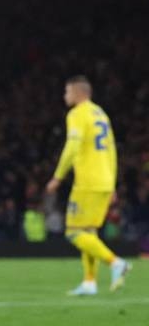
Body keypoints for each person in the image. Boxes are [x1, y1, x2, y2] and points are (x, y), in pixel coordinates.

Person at [45, 76, 131, 295]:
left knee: (73, 232)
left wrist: (58, 176)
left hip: (88, 182)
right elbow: (111, 151)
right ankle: (89, 282)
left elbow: (72, 147)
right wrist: (112, 184)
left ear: (77, 93)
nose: (65, 96)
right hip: (104, 180)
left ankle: (116, 263)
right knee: (89, 232)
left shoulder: (77, 114)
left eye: (67, 91)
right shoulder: (101, 114)